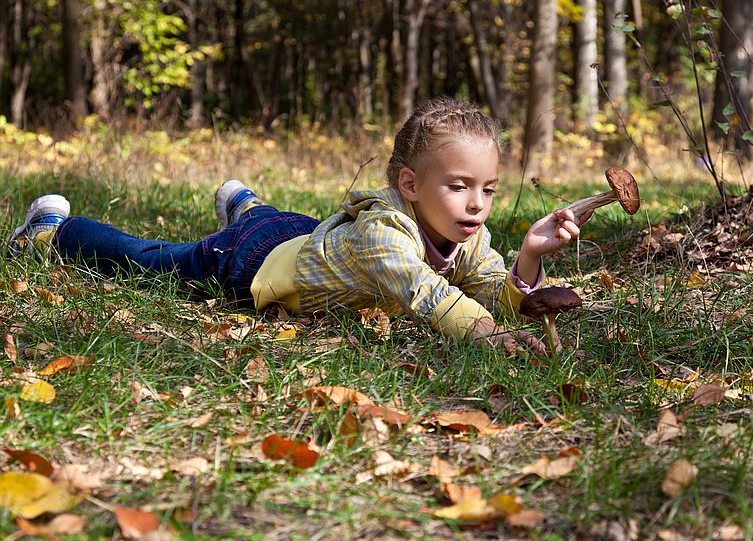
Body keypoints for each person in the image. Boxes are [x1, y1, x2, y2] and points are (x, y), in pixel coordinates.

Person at [7, 98, 592, 354]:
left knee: (288, 225)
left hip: (306, 234)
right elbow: (425, 293)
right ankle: (56, 230)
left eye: (487, 190)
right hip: (252, 264)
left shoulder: (467, 234)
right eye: (458, 186)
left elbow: (488, 284)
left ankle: (248, 205)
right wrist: (488, 333)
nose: (476, 204)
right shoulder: (385, 236)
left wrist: (530, 262)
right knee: (154, 258)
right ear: (410, 186)